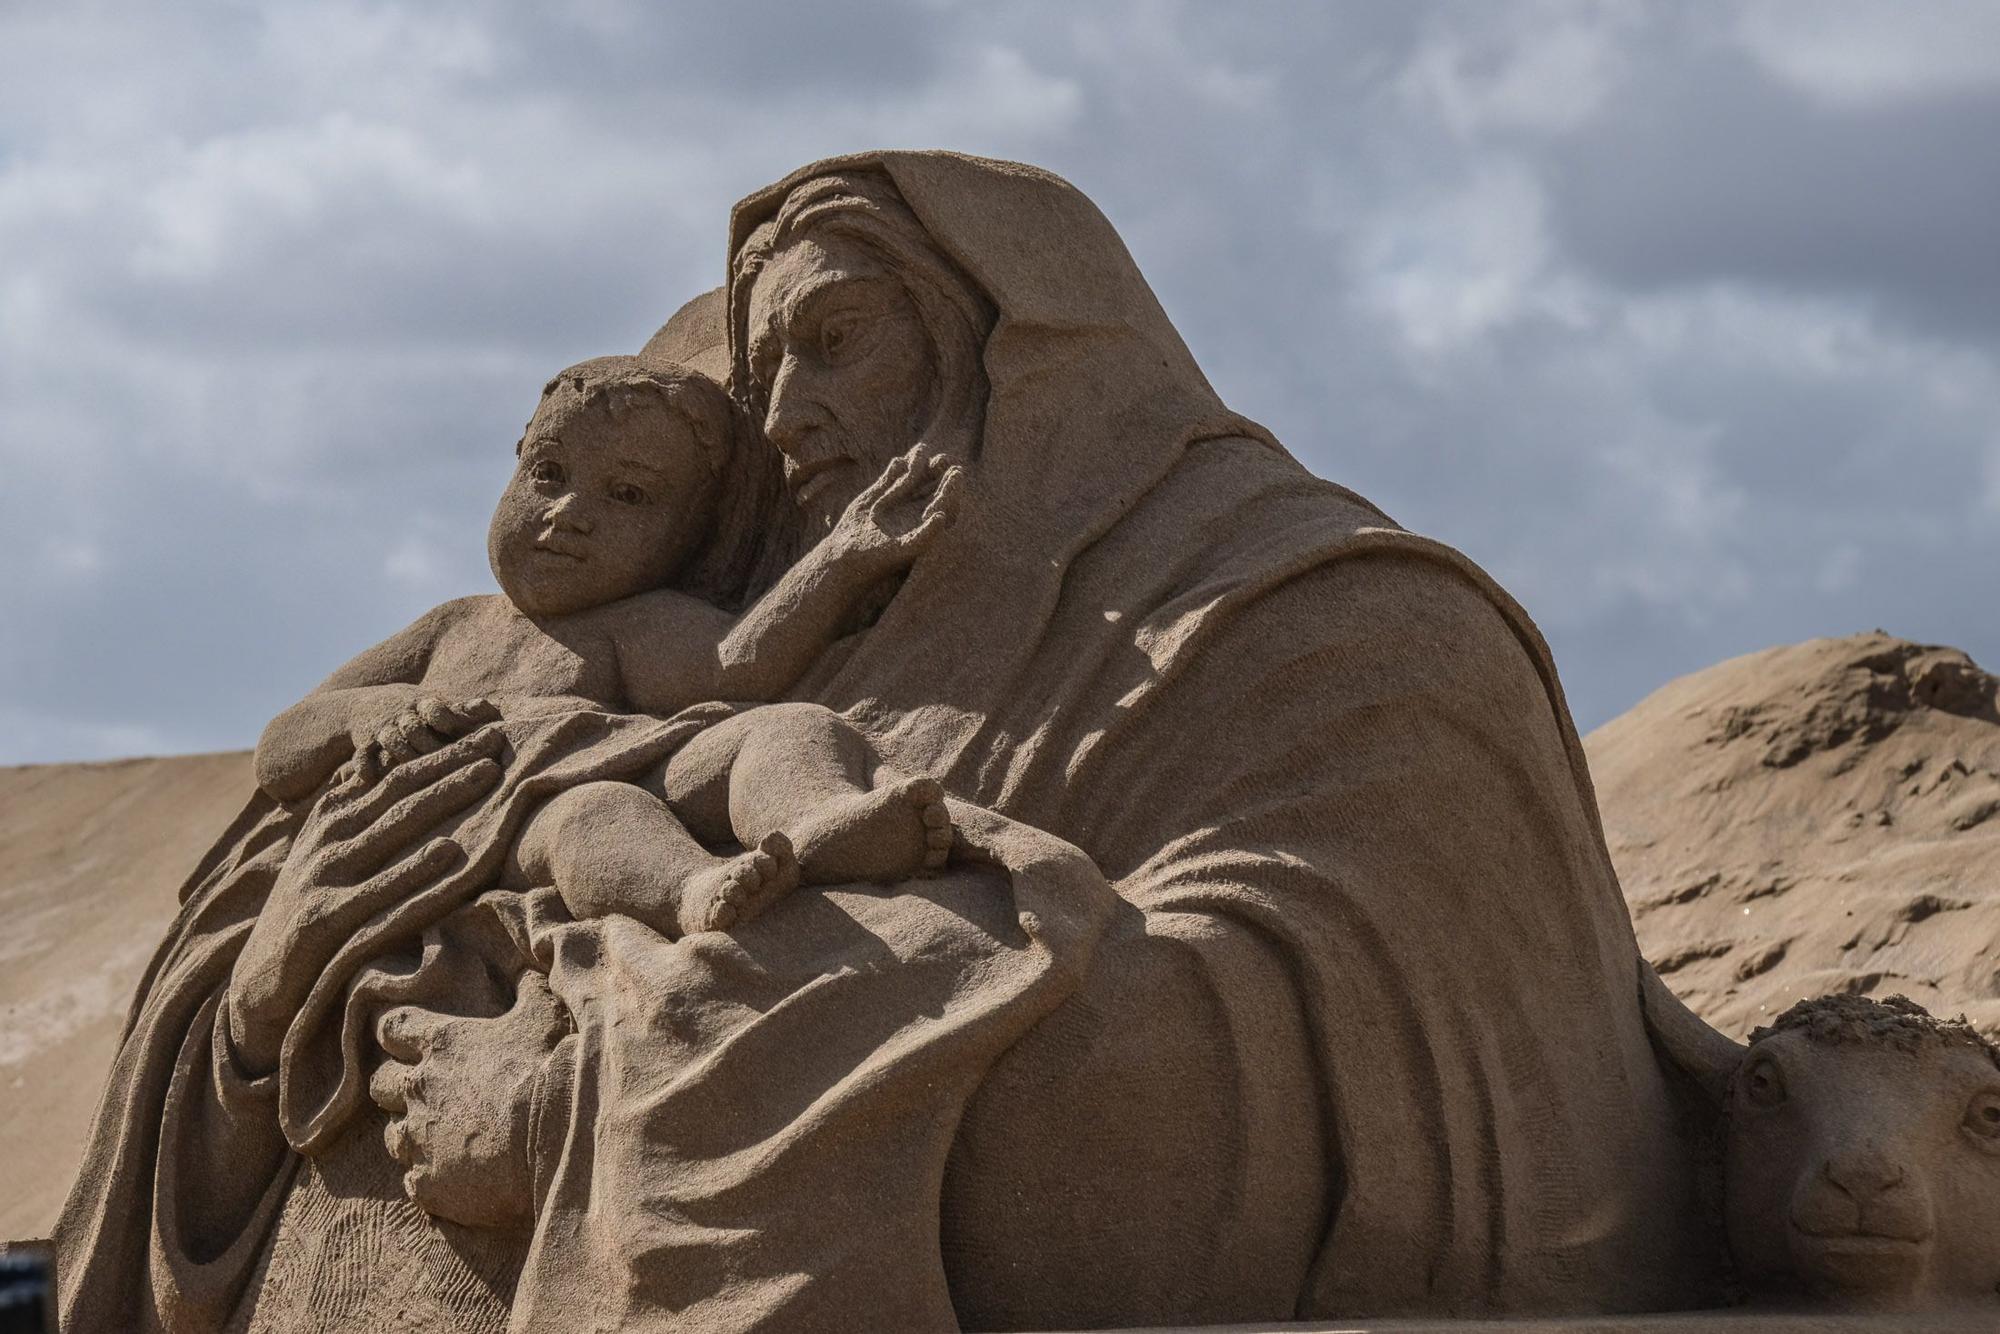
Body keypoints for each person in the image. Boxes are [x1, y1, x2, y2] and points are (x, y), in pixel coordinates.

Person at [60, 154, 1724, 1333]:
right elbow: (303, 874)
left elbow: (1310, 1102)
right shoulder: (720, 618)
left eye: (838, 339)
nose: (785, 419)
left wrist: (586, 1088)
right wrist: (268, 989)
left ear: (1027, 356)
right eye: (765, 361)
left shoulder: (1333, 626)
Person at [256, 355, 957, 942]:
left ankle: (817, 818)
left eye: (626, 495)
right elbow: (282, 747)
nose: (569, 516)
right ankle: (690, 890)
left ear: (688, 536)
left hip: (630, 763)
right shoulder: (454, 626)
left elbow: (734, 669)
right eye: (549, 475)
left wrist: (839, 560)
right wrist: (370, 714)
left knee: (790, 728)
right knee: (596, 816)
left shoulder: (645, 620)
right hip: (494, 822)